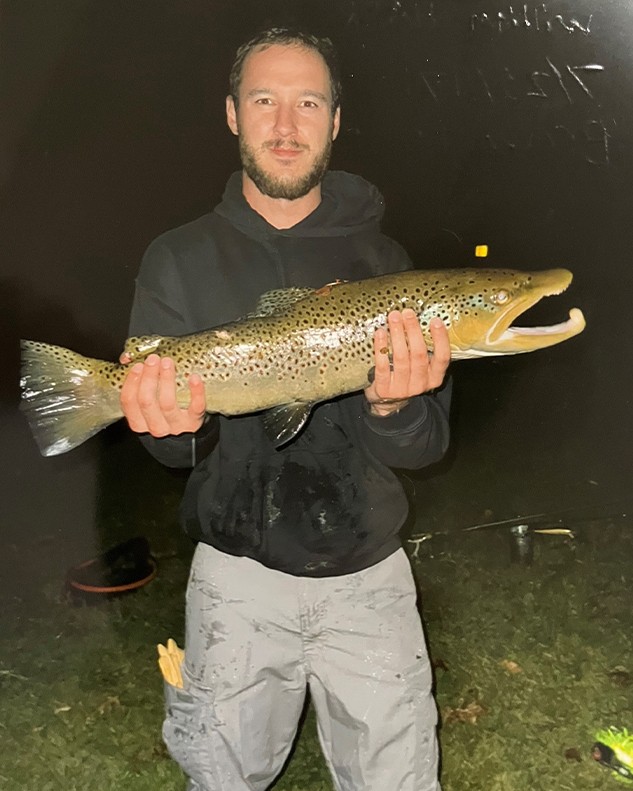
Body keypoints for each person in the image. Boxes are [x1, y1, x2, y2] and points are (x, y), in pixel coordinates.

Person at [120, 27, 452, 791]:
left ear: (335, 121)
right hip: (233, 578)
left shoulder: (388, 266)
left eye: (308, 102)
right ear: (231, 113)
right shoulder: (177, 257)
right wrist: (169, 425)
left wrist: (395, 405)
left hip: (368, 572)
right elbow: (174, 455)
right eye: (263, 99)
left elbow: (427, 445)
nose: (284, 123)